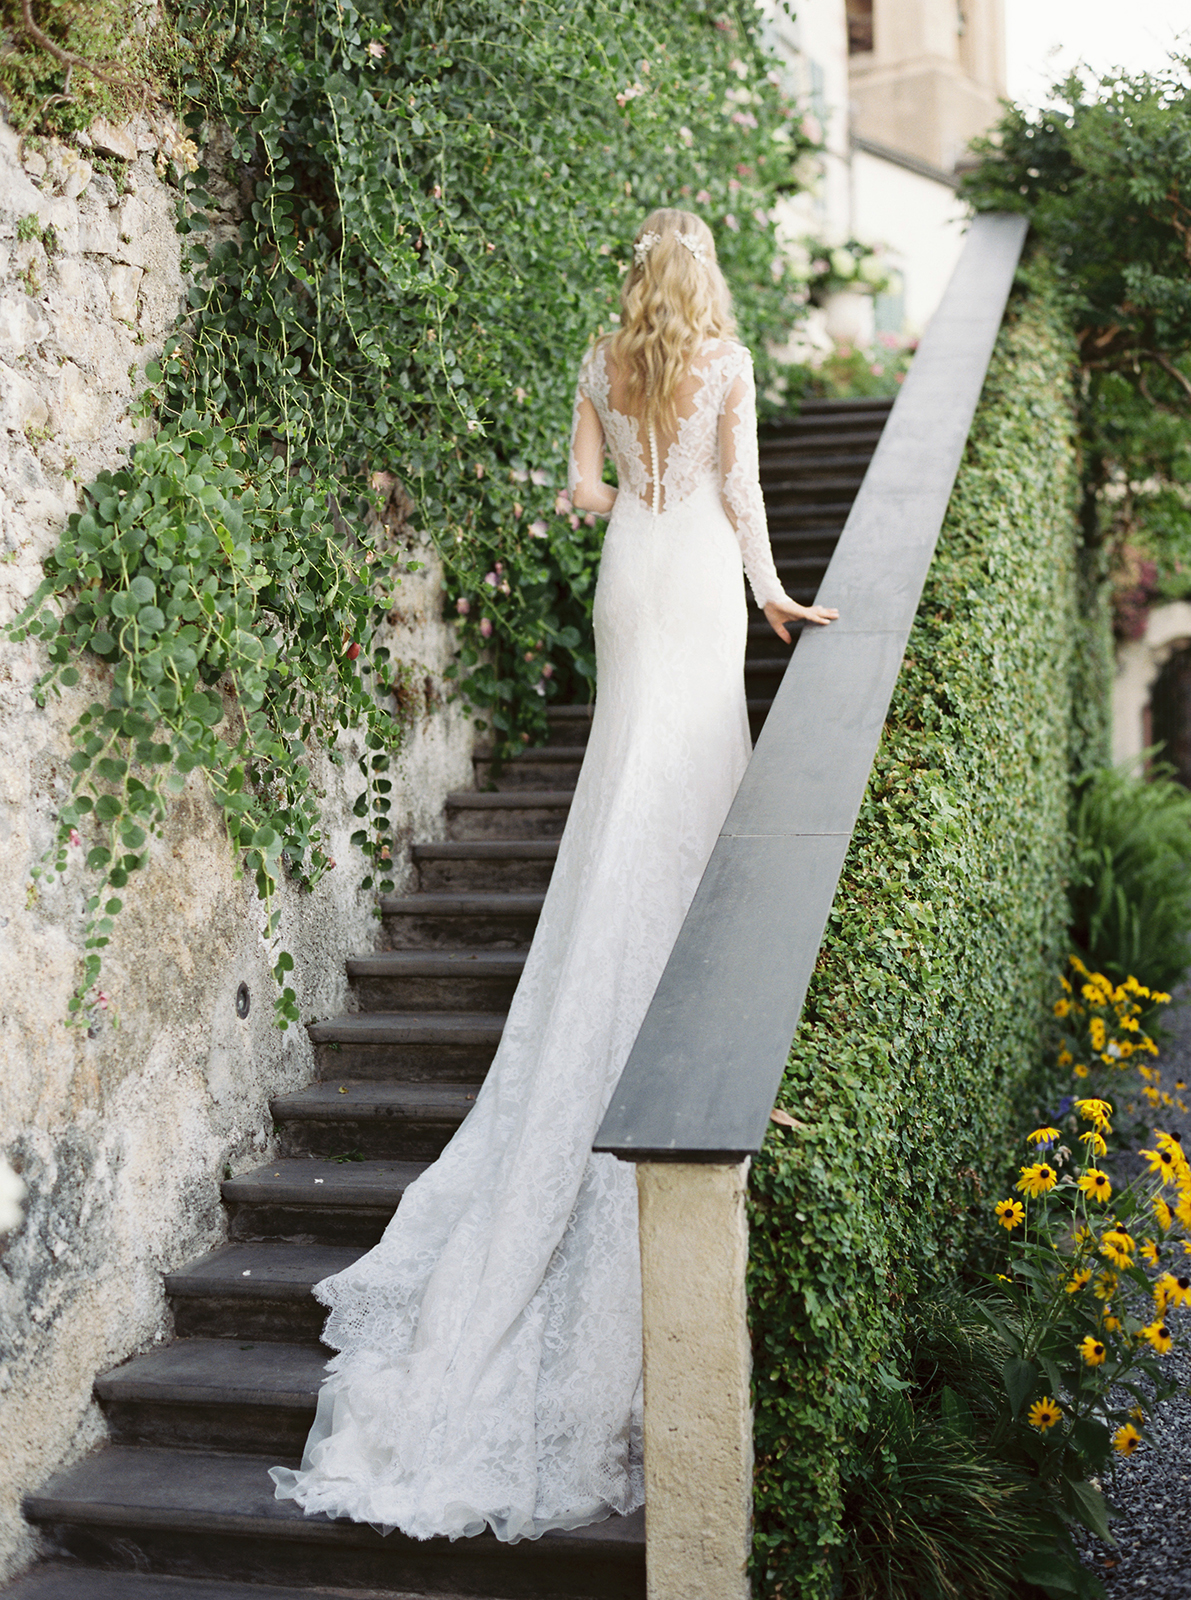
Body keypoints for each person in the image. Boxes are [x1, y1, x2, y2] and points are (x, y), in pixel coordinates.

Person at [270, 206, 837, 1543]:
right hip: (696, 572)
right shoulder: (731, 363)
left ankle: (618, 934)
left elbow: (581, 492)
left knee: (629, 760)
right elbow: (745, 493)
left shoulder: (602, 358)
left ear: (637, 275)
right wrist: (772, 592)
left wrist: (617, 486)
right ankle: (689, 945)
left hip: (631, 569)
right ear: (707, 275)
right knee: (685, 758)